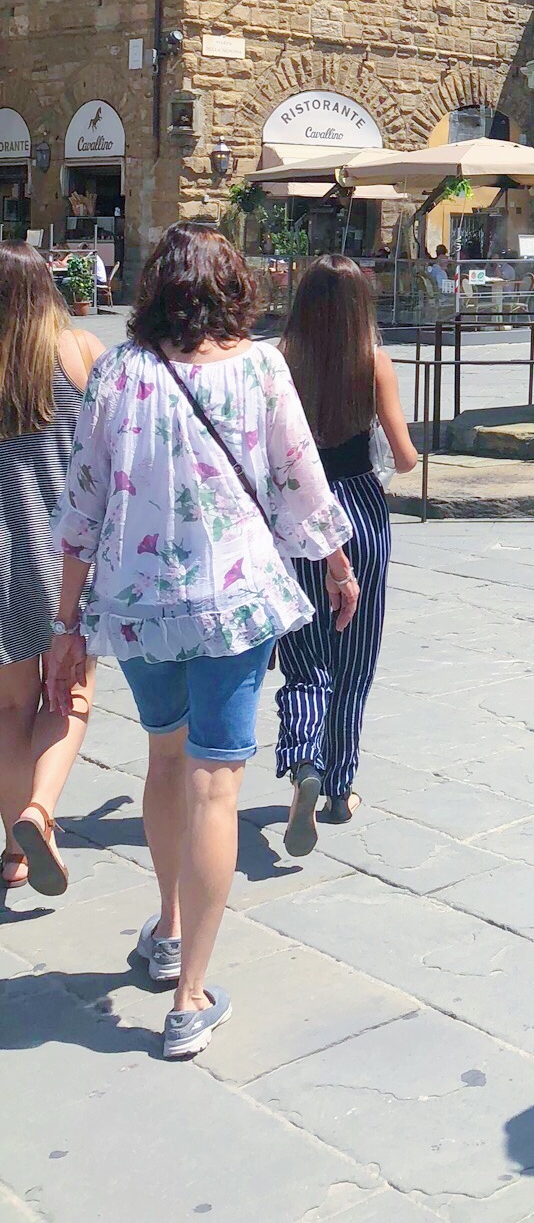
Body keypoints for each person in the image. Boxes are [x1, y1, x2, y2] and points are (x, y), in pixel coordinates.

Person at [45, 223, 358, 1060]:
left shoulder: (117, 372)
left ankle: (171, 928)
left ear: (153, 288)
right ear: (232, 288)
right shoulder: (261, 369)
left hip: (141, 604)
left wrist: (67, 623)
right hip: (234, 601)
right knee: (217, 786)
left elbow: (81, 508)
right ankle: (188, 1001)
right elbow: (299, 475)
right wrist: (333, 558)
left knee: (162, 760)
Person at [275, 256, 417, 847]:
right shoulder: (374, 362)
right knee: (353, 659)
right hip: (359, 508)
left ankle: (304, 760)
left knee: (304, 654)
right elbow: (406, 457)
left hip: (298, 513)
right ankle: (338, 786)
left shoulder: (280, 361)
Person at [0, 245, 105, 894]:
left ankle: (14, 851)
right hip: (66, 557)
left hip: (2, 558)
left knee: (10, 708)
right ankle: (40, 811)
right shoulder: (82, 351)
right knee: (70, 696)